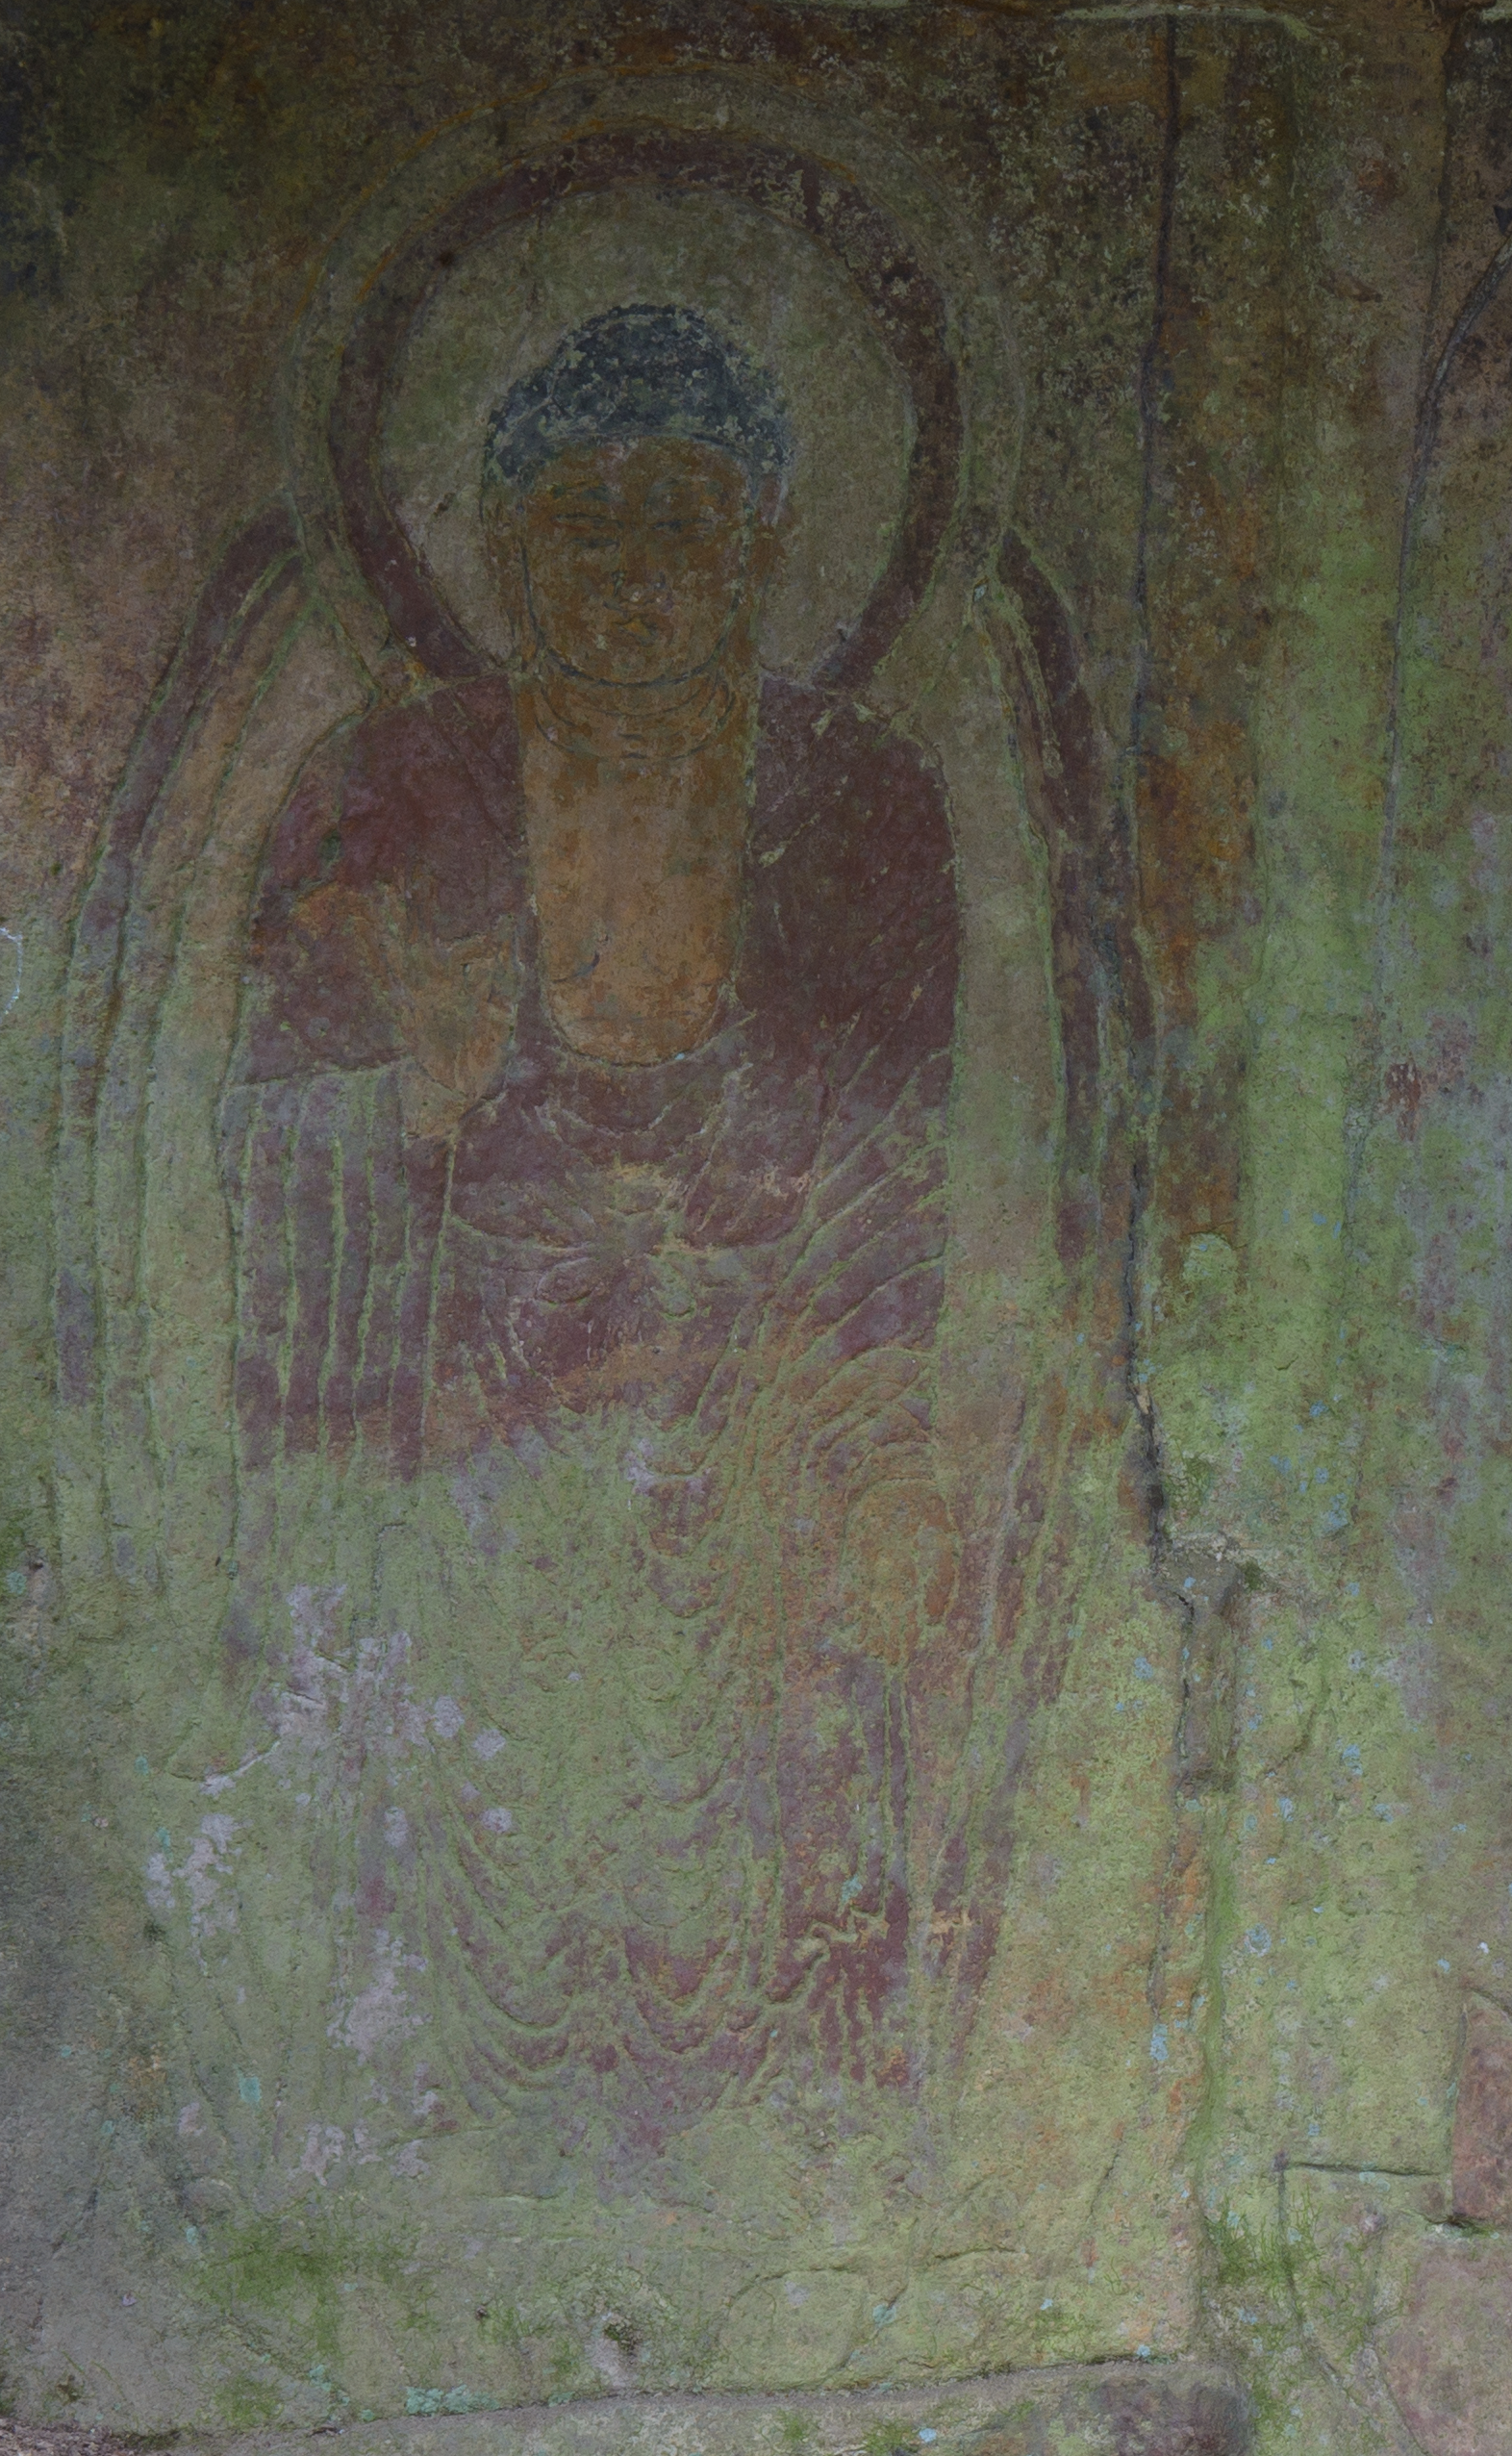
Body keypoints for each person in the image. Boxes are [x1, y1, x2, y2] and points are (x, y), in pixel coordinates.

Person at [225, 303, 964, 2114]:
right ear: (492, 545)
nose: (635, 574)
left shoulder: (861, 799)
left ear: (771, 543)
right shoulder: (390, 792)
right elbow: (260, 1154)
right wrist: (420, 1096)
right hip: (464, 1426)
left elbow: (908, 1161)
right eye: (585, 525)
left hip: (758, 1426)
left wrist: (728, 1259)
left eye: (683, 524)